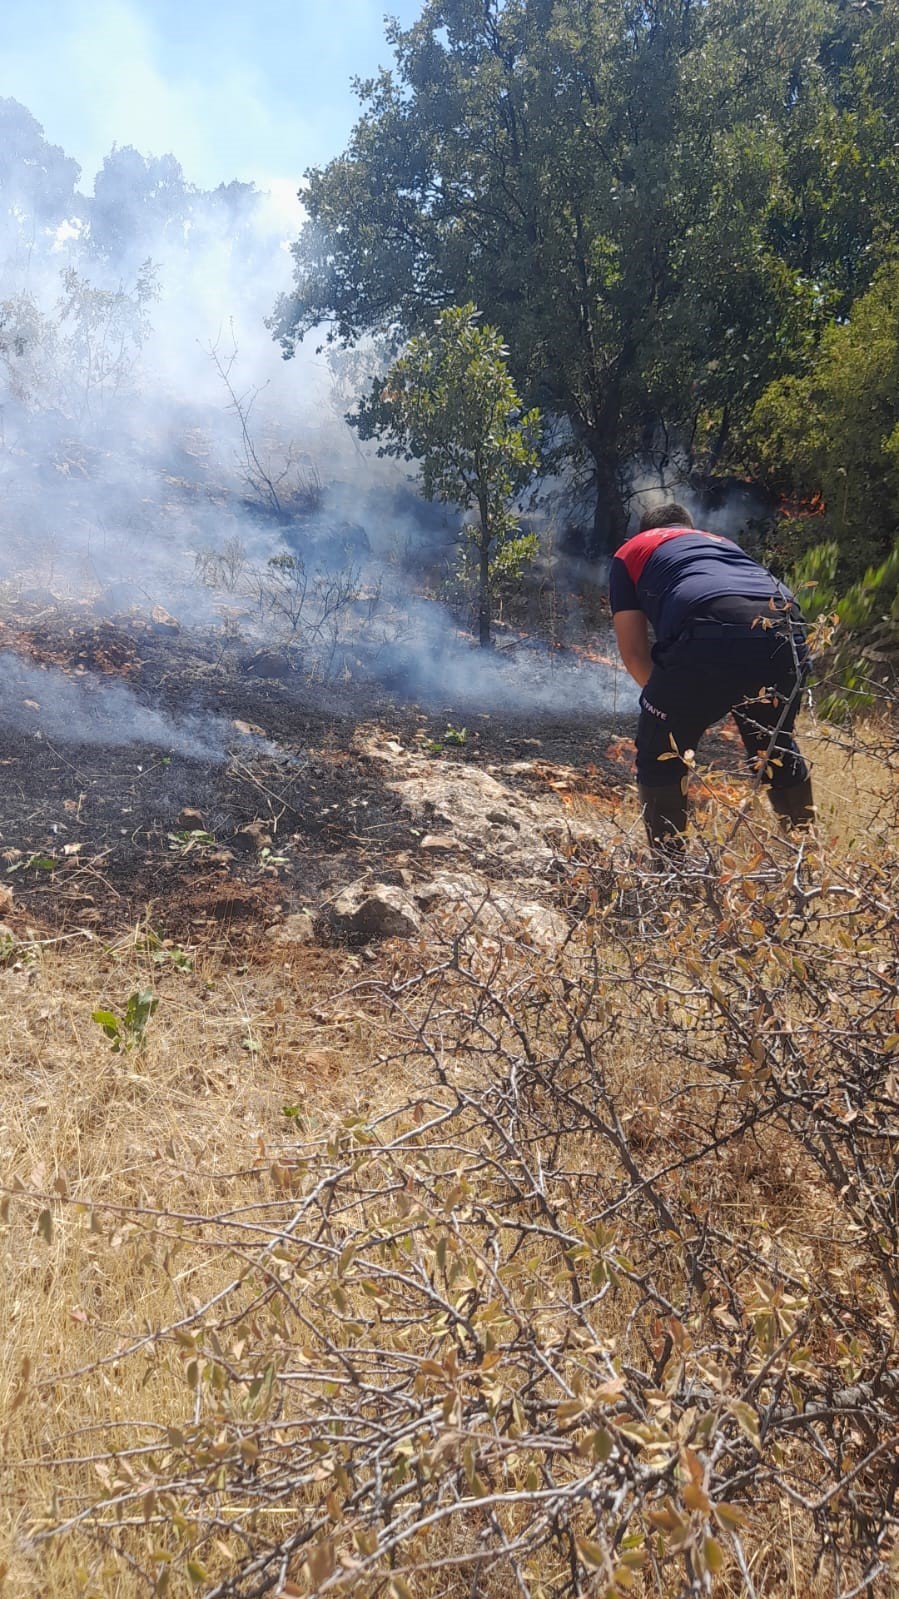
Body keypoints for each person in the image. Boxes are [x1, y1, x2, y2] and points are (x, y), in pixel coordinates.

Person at [609, 503, 815, 848]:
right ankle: (807, 859)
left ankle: (671, 879)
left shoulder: (631, 550)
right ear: (690, 527)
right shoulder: (721, 543)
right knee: (772, 747)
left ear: (643, 532)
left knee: (659, 754)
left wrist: (677, 709)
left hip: (709, 622)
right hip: (786, 627)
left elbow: (633, 653)